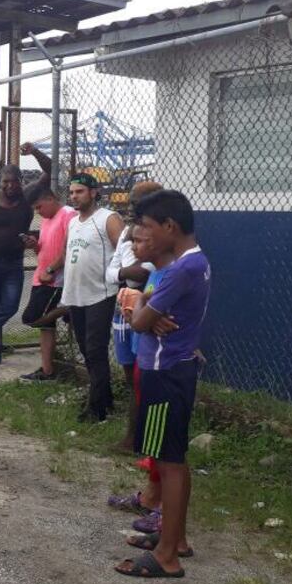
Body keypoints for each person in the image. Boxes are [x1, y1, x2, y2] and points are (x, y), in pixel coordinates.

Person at [115, 190, 210, 579]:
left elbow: (138, 316)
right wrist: (146, 304)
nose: (144, 238)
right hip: (174, 370)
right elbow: (147, 306)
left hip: (164, 373)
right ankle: (177, 540)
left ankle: (167, 555)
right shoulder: (193, 264)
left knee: (168, 464)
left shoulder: (179, 270)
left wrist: (139, 303)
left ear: (170, 227)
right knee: (172, 460)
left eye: (149, 230)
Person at [0, 143, 52, 367]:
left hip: (13, 262)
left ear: (21, 181)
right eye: (5, 181)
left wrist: (34, 152)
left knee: (10, 306)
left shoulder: (27, 196)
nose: (10, 186)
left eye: (14, 181)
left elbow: (51, 169)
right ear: (0, 182)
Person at [62, 172, 124, 423]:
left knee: (96, 350)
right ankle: (105, 398)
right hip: (76, 294)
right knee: (87, 351)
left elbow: (124, 251)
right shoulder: (73, 222)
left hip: (101, 293)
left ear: (93, 192)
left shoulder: (107, 218)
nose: (74, 196)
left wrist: (120, 280)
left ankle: (96, 409)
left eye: (80, 192)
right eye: (72, 192)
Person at [107, 181, 163, 449]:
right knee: (130, 375)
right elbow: (113, 271)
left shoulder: (163, 233)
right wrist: (126, 272)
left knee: (144, 376)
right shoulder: (128, 232)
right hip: (124, 306)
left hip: (145, 306)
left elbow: (149, 271)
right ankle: (133, 435)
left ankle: (139, 438)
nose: (130, 208)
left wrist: (128, 272)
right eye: (130, 203)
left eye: (136, 204)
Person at [19, 183, 75, 381]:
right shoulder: (47, 220)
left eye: (39, 207)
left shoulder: (68, 215)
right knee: (46, 325)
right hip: (42, 277)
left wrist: (51, 269)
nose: (38, 212)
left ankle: (68, 309)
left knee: (31, 317)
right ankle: (47, 370)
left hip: (55, 280)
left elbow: (70, 249)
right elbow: (45, 249)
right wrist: (35, 245)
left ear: (50, 198)